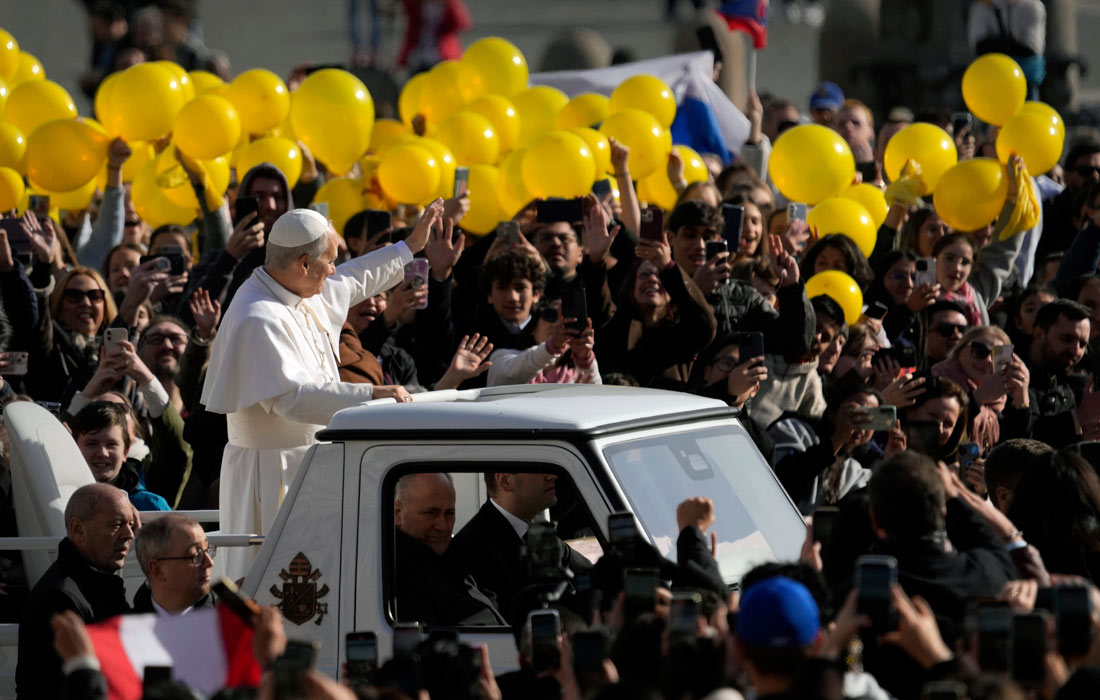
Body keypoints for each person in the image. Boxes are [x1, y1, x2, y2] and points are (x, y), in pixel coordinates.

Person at [201, 204, 442, 577]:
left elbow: (355, 278)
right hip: (272, 473)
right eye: (328, 261)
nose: (333, 270)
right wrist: (370, 395)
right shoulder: (257, 316)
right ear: (303, 264)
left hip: (309, 463)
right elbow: (291, 399)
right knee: (278, 580)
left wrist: (409, 246)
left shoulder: (297, 286)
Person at [16, 484, 136, 700]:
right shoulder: (58, 600)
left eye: (131, 525)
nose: (129, 535)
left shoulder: (96, 584)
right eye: (117, 525)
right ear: (78, 529)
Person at [447, 472, 593, 622]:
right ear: (505, 481)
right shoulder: (469, 553)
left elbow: (591, 576)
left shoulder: (538, 534)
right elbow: (496, 627)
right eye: (537, 468)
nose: (552, 476)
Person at [392, 472, 504, 625]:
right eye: (431, 513)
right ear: (398, 513)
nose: (443, 525)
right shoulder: (399, 576)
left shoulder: (452, 560)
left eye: (449, 513)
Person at [70, 400, 171, 511]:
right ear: (74, 447)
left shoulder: (151, 506)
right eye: (92, 444)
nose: (103, 453)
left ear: (125, 452)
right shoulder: (60, 497)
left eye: (111, 444)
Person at [132, 512, 216, 614]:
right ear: (158, 570)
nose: (209, 563)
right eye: (196, 555)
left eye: (207, 550)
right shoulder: (125, 623)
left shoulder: (227, 621)